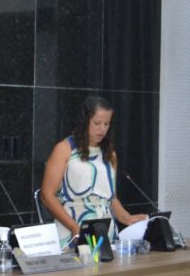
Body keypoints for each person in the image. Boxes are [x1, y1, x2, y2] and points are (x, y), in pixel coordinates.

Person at [40, 95, 147, 248]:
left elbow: (110, 198)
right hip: (72, 229)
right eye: (97, 123)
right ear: (85, 121)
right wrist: (73, 227)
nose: (102, 129)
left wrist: (127, 218)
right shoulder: (64, 149)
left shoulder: (110, 154)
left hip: (106, 232)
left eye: (106, 124)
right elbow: (47, 195)